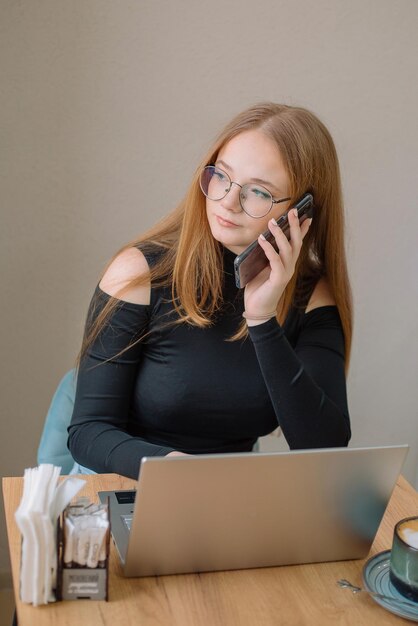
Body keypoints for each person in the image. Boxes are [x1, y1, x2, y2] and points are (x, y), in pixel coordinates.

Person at [68, 102, 353, 479]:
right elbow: (88, 433)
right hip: (130, 481)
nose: (227, 201)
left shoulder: (312, 296)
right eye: (222, 176)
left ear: (300, 213)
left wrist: (262, 319)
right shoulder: (139, 274)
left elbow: (325, 447)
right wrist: (175, 469)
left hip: (229, 493)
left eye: (258, 192)